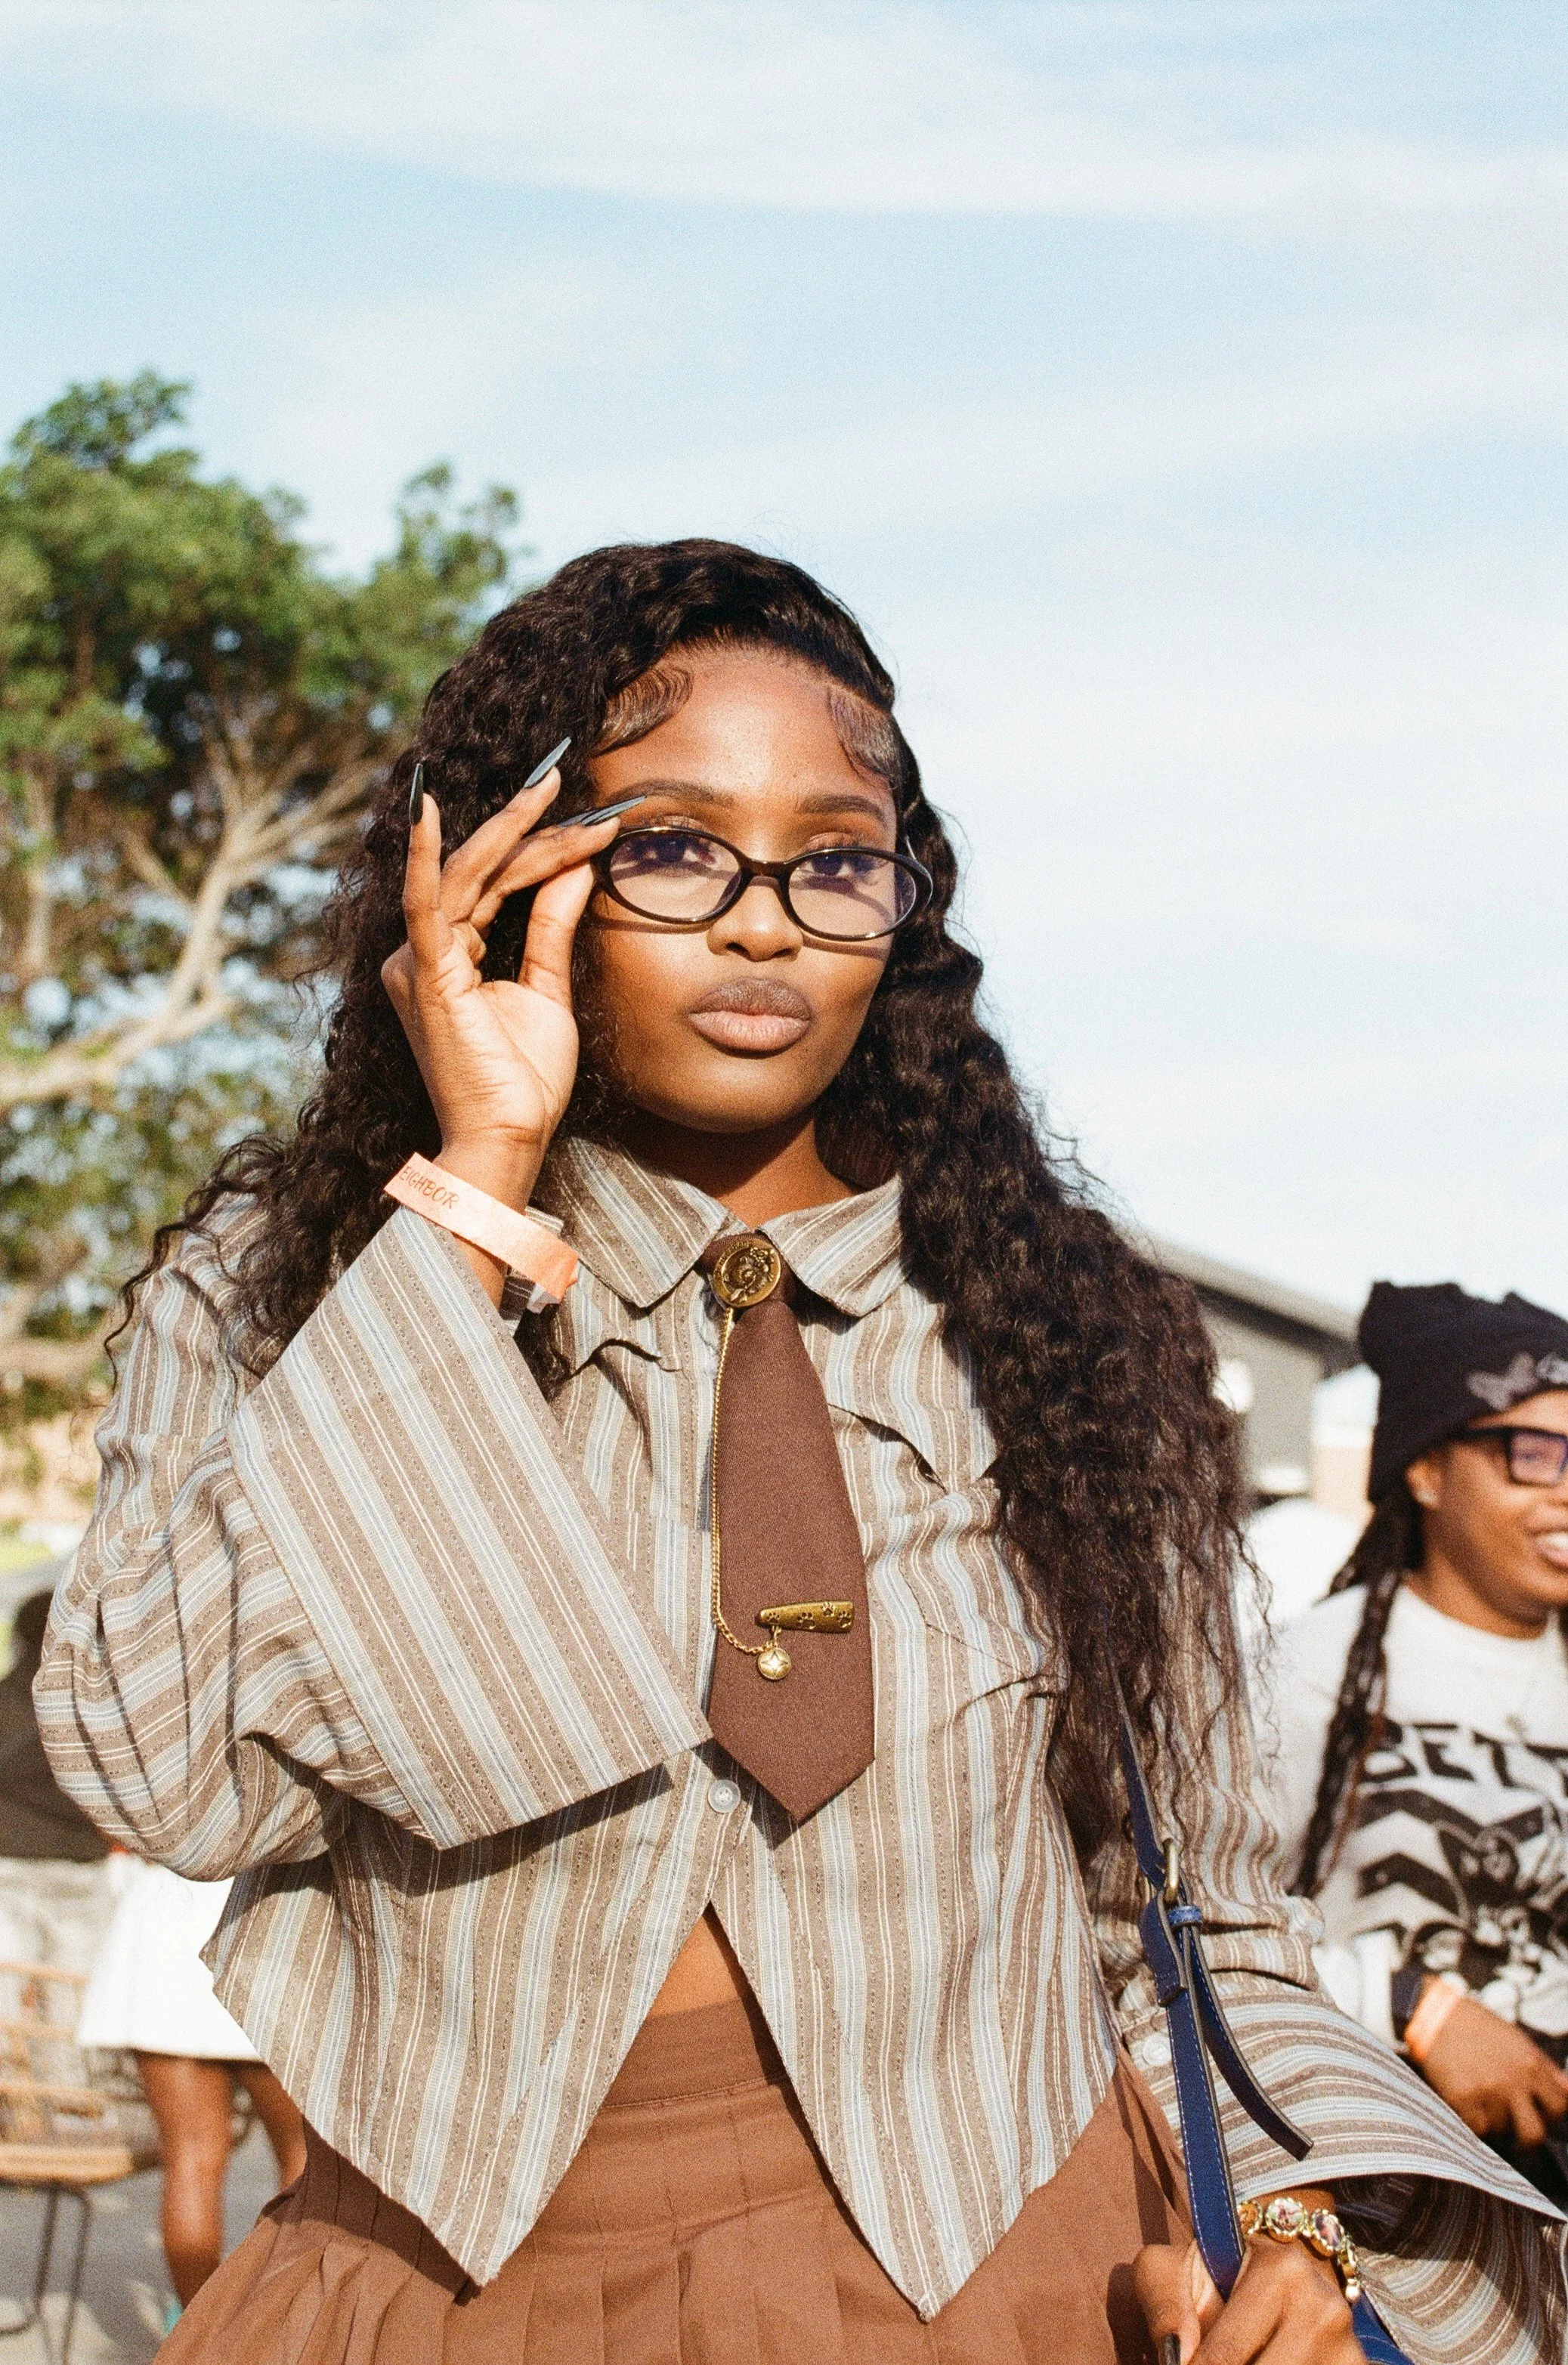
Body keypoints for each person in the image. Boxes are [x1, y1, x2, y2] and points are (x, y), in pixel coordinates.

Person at [32, 544, 1564, 2363]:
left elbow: (1198, 1928)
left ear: (897, 908)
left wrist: (1292, 2226)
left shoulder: (1061, 1341)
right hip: (449, 2296)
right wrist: (468, 1204)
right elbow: (172, 1775)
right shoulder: (310, 1284)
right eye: (672, 845)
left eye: (833, 859)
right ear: (514, 869)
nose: (762, 918)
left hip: (1003, 2286)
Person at [1270, 1281, 1568, 2214]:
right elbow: (1184, 1931)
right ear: (1426, 1469)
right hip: (1381, 2206)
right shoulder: (1313, 1671)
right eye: (1533, 1454)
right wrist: (1409, 2004)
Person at [76, 1856, 307, 2308]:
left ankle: (199, 2337)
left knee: (192, 2159)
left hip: (163, 1922)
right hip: (266, 1924)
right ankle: (283, 2331)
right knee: (305, 2163)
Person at [0, 1585, 111, 1991]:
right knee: (73, 2003)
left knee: (7, 2010)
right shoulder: (99, 1709)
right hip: (79, 1867)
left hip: (8, 1863)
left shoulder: (4, 1701)